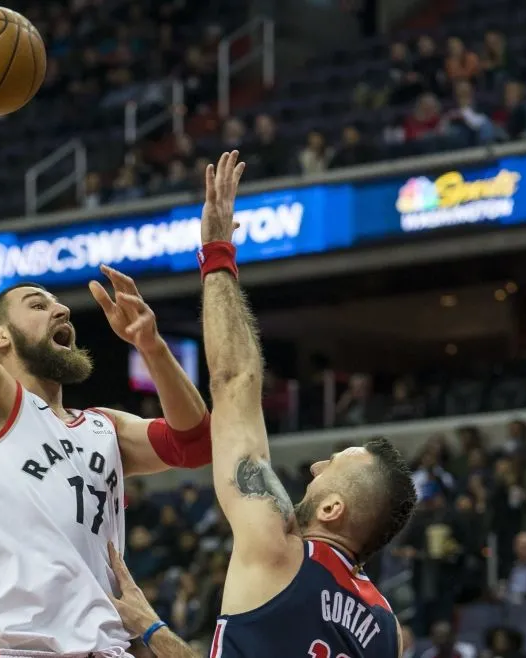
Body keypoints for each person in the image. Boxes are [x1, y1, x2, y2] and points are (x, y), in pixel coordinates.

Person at [0, 39, 215, 656]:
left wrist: (153, 347)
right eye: (36, 302)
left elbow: (196, 444)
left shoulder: (101, 427)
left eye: (57, 303)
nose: (60, 308)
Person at [106, 152, 418, 658]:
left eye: (329, 467)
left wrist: (217, 254)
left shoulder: (278, 546)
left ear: (334, 510)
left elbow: (234, 382)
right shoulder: (385, 630)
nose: (315, 464)